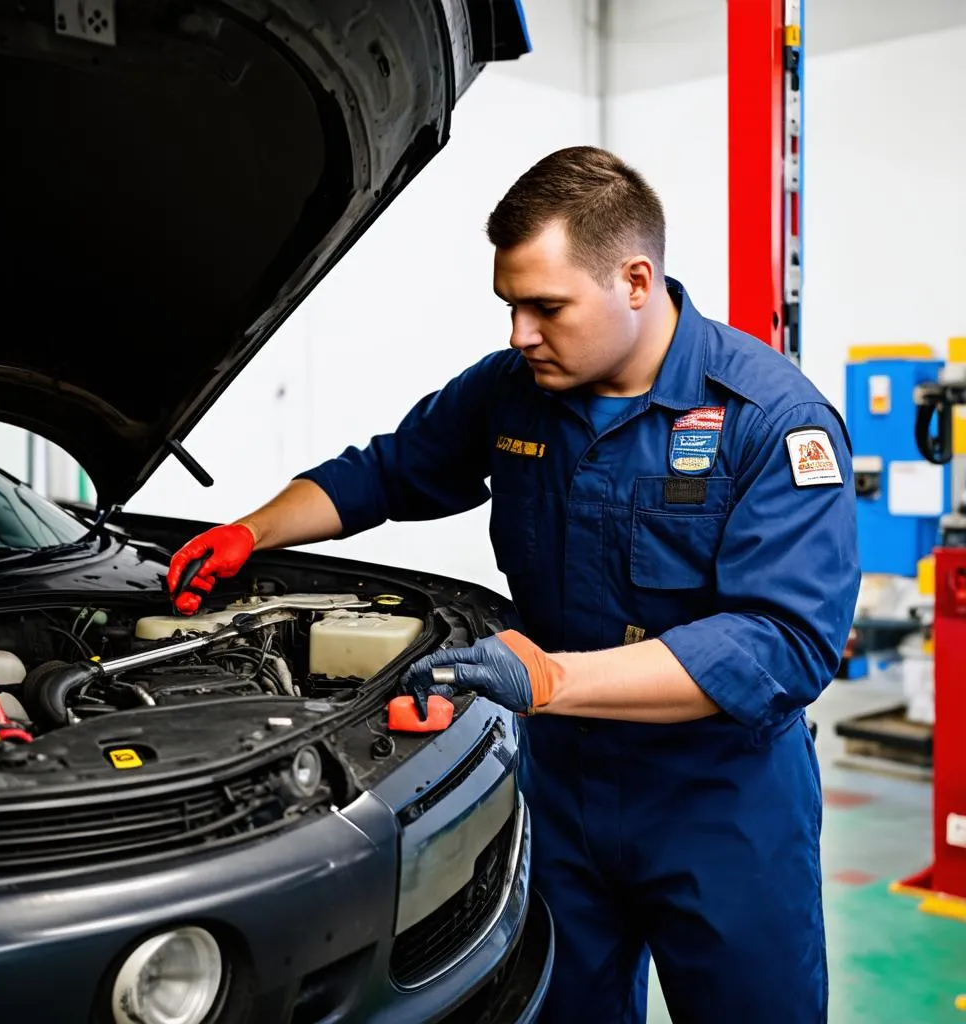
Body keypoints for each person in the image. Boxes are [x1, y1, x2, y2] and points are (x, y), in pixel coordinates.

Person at [167, 146, 860, 1023]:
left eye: (547, 307)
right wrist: (248, 531)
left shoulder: (771, 422)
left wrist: (550, 678)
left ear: (636, 280)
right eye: (510, 306)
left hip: (723, 806)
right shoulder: (515, 393)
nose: (519, 334)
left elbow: (782, 643)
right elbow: (384, 473)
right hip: (559, 790)